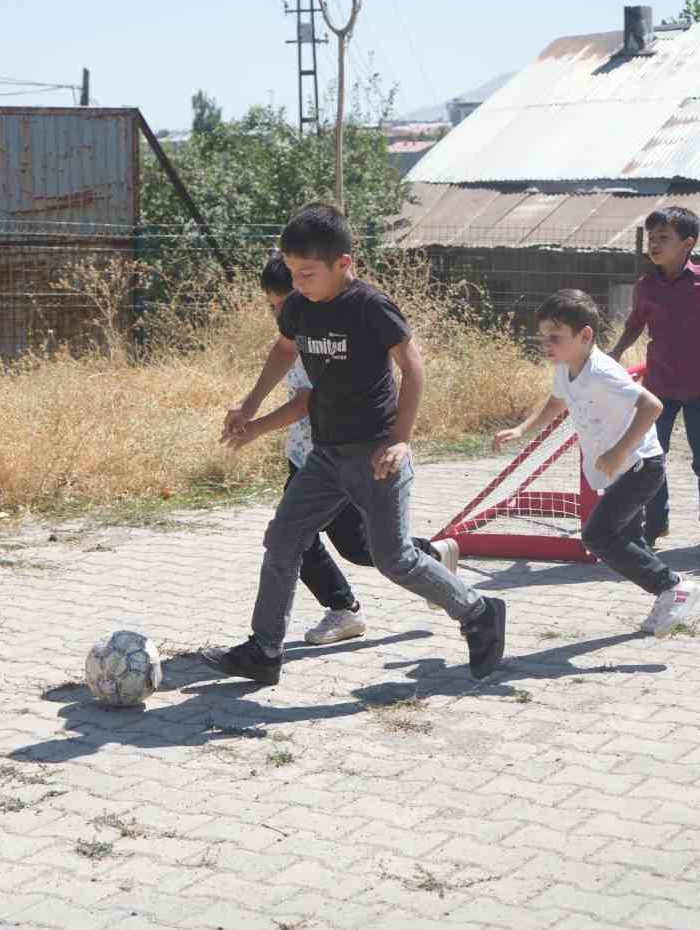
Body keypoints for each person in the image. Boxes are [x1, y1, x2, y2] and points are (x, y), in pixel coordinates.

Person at [201, 203, 506, 685]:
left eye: (308, 273)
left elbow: (414, 366)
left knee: (394, 559)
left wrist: (401, 440)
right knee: (283, 537)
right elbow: (284, 348)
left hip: (375, 454)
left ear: (345, 264)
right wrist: (249, 406)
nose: (298, 284)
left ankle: (477, 611)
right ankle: (264, 650)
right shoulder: (299, 307)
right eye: (293, 272)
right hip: (325, 455)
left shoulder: (370, 306)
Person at [223, 252, 462, 646]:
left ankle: (428, 569)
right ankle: (337, 609)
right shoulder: (295, 334)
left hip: (339, 456)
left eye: (284, 300)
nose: (280, 311)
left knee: (361, 549)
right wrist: (248, 407)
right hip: (307, 455)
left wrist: (255, 427)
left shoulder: (326, 330)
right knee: (295, 538)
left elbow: (306, 402)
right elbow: (283, 367)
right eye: (273, 304)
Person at [497, 290, 700, 636]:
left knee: (597, 535)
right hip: (622, 470)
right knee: (627, 540)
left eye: (555, 337)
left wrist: (620, 451)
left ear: (586, 335)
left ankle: (673, 587)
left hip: (640, 466)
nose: (546, 344)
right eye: (543, 337)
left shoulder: (603, 373)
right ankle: (670, 593)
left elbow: (652, 406)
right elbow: (557, 401)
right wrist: (522, 427)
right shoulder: (567, 368)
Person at [610, 207, 700, 567]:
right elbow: (635, 325)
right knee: (651, 460)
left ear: (687, 244)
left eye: (663, 238)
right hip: (659, 390)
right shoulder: (646, 286)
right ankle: (654, 525)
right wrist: (615, 353)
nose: (654, 244)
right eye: (651, 238)